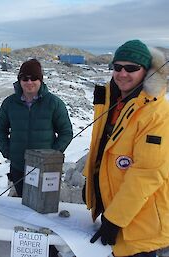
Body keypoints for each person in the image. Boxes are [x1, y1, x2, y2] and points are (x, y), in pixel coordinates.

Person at [83, 39, 169, 257]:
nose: (122, 74)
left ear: (146, 71)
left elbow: (147, 173)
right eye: (117, 67)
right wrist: (91, 181)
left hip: (143, 229)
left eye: (131, 68)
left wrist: (115, 219)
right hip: (119, 216)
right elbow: (103, 149)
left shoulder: (157, 114)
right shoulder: (113, 101)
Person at [0, 58, 73, 197]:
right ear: (20, 80)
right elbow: (0, 129)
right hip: (18, 166)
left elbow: (66, 132)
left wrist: (52, 154)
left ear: (41, 80)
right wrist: (7, 151)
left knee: (44, 206)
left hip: (45, 168)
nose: (29, 82)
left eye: (34, 78)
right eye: (25, 78)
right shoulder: (9, 103)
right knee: (22, 206)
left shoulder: (54, 103)